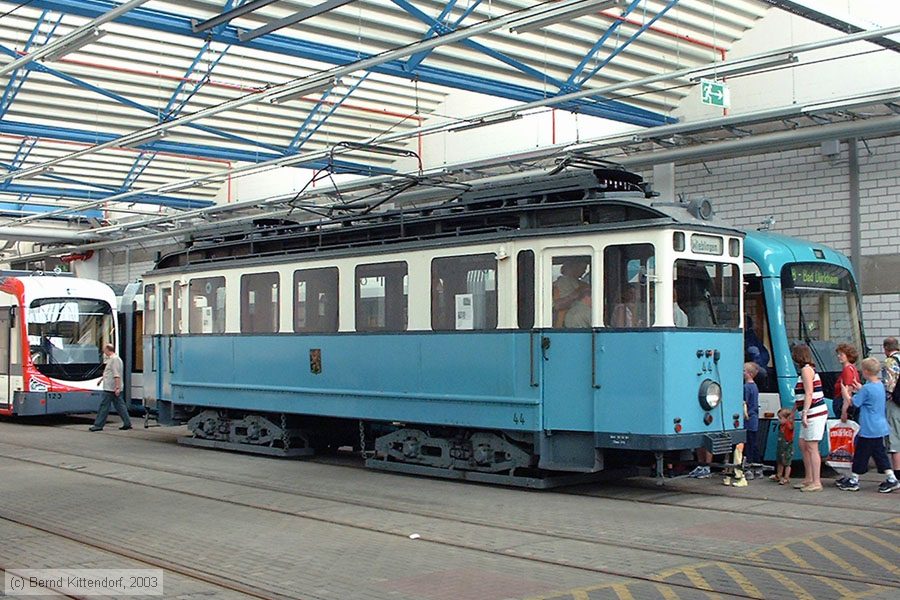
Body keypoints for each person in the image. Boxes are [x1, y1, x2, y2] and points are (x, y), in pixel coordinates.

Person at [836, 357, 900, 493]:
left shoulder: (866, 389)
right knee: (879, 453)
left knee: (861, 454)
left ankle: (854, 480)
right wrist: (860, 388)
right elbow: (869, 395)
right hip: (880, 426)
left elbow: (855, 403)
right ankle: (891, 477)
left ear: (865, 372)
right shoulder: (879, 386)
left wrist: (845, 393)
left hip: (868, 427)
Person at [791, 344, 827, 492]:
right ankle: (809, 478)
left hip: (814, 412)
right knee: (803, 444)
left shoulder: (806, 370)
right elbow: (802, 395)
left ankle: (816, 481)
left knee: (812, 446)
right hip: (810, 411)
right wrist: (795, 410)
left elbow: (809, 393)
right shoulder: (807, 370)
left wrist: (804, 412)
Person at [89, 343, 132, 432]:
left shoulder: (114, 360)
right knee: (120, 406)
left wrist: (117, 387)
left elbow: (116, 375)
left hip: (111, 388)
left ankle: (98, 425)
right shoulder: (112, 359)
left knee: (104, 406)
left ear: (108, 350)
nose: (103, 351)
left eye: (104, 349)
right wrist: (101, 380)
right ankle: (127, 423)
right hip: (112, 387)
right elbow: (109, 373)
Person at [552, 259, 590, 328]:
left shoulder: (581, 283)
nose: (584, 271)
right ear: (574, 266)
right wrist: (579, 292)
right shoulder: (564, 281)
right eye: (583, 268)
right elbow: (558, 305)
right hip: (570, 321)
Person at [883, 337, 900, 476]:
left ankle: (897, 474)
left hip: (895, 403)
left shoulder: (890, 361)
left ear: (885, 349)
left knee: (894, 439)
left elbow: (889, 385)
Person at [833, 343, 860, 420]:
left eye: (841, 354)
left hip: (842, 403)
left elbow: (848, 391)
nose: (838, 356)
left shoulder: (847, 370)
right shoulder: (852, 368)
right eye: (838, 354)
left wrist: (844, 412)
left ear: (848, 356)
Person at [743, 362, 761, 478]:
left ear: (749, 373)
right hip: (754, 419)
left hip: (748, 419)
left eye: (743, 371)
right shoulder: (755, 386)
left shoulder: (745, 387)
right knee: (753, 444)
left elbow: (744, 403)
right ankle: (758, 468)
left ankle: (748, 468)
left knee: (747, 445)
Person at [769, 407, 794, 485]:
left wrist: (788, 421)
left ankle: (786, 477)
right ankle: (779, 475)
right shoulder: (781, 426)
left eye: (780, 418)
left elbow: (790, 427)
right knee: (780, 462)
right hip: (781, 447)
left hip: (787, 448)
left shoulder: (788, 425)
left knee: (787, 463)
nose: (778, 420)